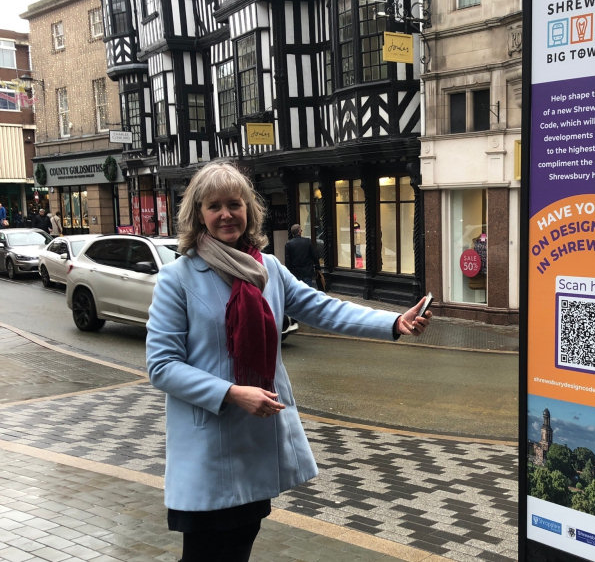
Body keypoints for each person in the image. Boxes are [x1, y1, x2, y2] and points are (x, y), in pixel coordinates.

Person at [145, 161, 431, 562]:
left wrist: (394, 322)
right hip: (209, 444)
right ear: (199, 216)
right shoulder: (179, 278)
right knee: (205, 555)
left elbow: (325, 309)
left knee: (239, 546)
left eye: (235, 203)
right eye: (214, 206)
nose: (226, 214)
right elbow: (161, 365)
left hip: (257, 439)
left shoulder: (267, 269)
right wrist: (231, 392)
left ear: (249, 210)